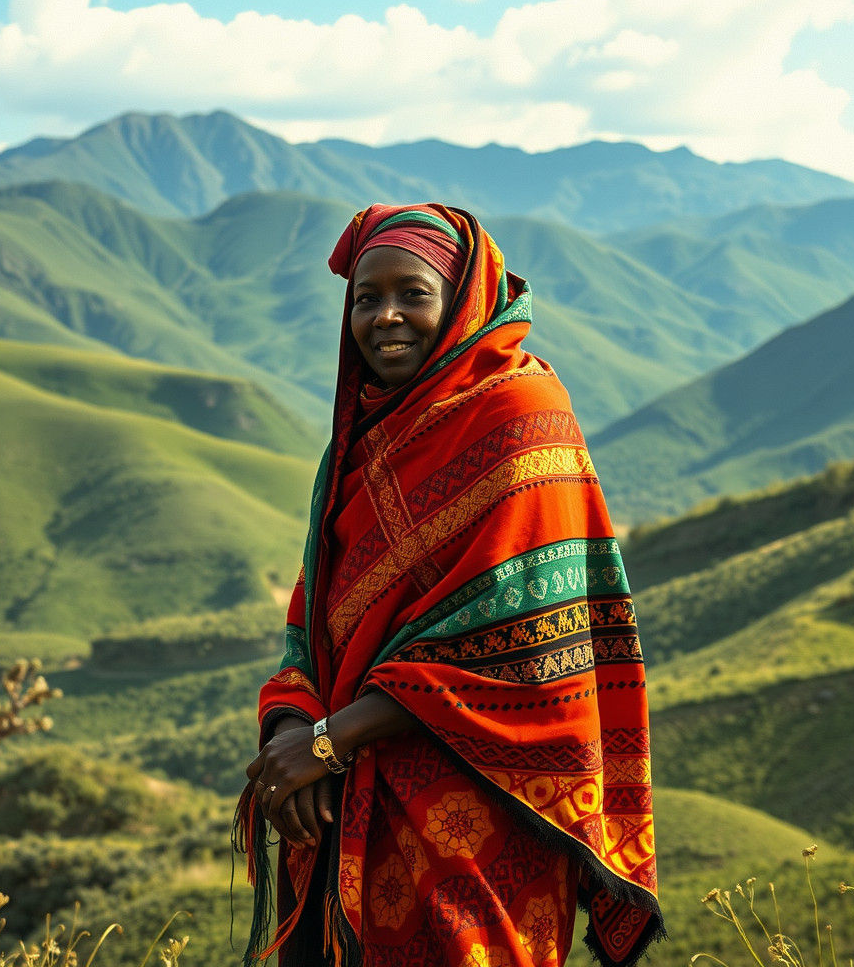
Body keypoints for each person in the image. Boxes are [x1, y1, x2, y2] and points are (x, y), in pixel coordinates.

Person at [235, 203, 664, 967]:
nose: (385, 316)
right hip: (336, 811)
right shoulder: (364, 435)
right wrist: (289, 732)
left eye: (413, 294)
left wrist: (329, 742)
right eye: (367, 298)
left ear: (463, 298)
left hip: (477, 814)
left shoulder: (524, 417)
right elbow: (316, 610)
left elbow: (525, 643)